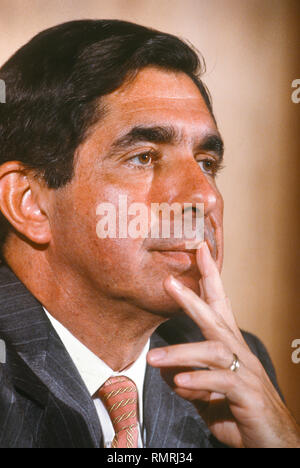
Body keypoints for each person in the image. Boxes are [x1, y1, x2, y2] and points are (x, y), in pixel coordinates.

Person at [0, 19, 299, 449]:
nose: (205, 197)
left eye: (206, 162)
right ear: (29, 201)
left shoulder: (230, 366)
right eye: (143, 157)